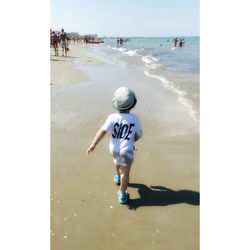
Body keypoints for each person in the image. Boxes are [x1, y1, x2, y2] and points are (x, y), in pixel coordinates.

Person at [86, 87, 143, 204]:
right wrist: (132, 142)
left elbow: (102, 130)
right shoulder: (135, 118)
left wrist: (93, 144)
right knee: (126, 173)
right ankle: (122, 194)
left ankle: (117, 176)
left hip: (113, 148)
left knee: (116, 161)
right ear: (133, 105)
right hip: (126, 150)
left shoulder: (112, 117)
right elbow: (139, 135)